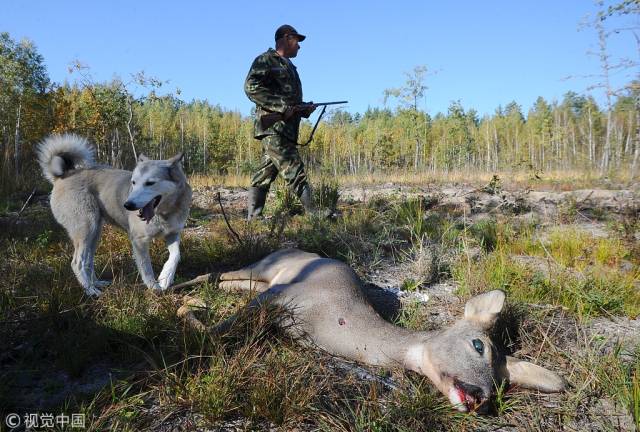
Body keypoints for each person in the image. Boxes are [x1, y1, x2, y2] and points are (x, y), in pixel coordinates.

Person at [244, 24, 317, 220]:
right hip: (274, 128)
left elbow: (290, 103)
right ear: (286, 38)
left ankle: (253, 218)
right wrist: (280, 106)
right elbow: (251, 87)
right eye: (297, 41)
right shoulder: (265, 60)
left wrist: (303, 109)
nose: (299, 47)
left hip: (286, 129)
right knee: (294, 169)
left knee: (264, 174)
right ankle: (315, 214)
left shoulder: (290, 66)